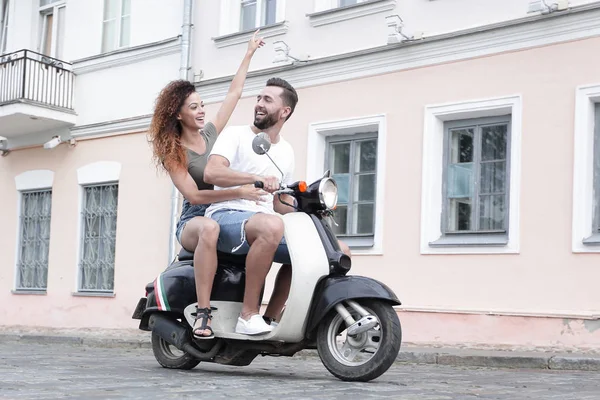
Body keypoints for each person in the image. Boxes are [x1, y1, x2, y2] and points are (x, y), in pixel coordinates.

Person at [203, 77, 351, 335]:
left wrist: (306, 211)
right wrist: (255, 179)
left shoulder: (286, 150)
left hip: (264, 220)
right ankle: (248, 316)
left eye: (267, 100)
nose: (259, 104)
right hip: (226, 215)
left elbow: (277, 202)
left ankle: (271, 319)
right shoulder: (235, 134)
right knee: (271, 225)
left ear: (285, 112)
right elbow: (212, 173)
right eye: (259, 98)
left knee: (327, 248)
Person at [147, 31, 267, 339]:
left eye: (202, 105)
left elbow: (233, 95)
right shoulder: (173, 151)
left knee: (263, 230)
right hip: (193, 219)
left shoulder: (212, 135)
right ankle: (203, 314)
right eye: (194, 107)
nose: (202, 111)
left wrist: (249, 52)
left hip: (222, 210)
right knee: (209, 229)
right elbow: (194, 194)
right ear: (178, 113)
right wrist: (240, 190)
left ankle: (252, 311)